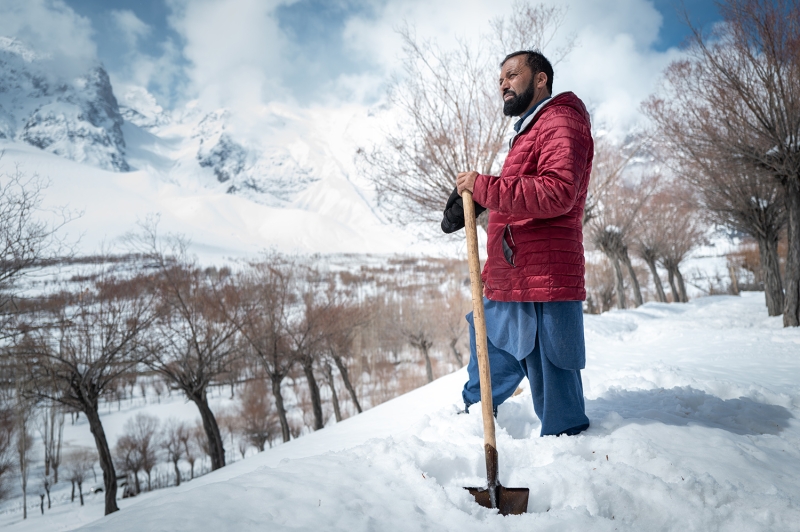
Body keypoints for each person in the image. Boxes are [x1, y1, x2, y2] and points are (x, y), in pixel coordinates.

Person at [441, 50, 593, 437]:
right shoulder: (531, 128)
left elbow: (558, 192)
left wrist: (485, 187)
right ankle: (470, 428)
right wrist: (476, 204)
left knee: (556, 388)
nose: (504, 83)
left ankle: (572, 465)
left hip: (544, 278)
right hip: (512, 274)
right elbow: (520, 200)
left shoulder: (561, 119)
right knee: (486, 345)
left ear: (540, 79)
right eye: (500, 80)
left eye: (512, 74)